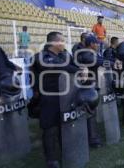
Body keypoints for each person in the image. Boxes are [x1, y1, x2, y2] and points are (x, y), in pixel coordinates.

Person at [31, 32, 81, 168]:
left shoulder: (65, 55)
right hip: (49, 97)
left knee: (65, 124)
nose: (64, 44)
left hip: (66, 95)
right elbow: (58, 66)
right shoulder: (41, 57)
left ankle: (65, 150)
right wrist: (78, 70)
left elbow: (73, 65)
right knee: (50, 128)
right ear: (54, 43)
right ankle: (51, 159)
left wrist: (80, 69)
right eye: (62, 41)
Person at [77, 35, 104, 148]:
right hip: (87, 87)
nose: (98, 45)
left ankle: (92, 136)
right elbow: (95, 62)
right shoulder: (86, 53)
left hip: (91, 85)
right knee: (90, 112)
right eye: (96, 43)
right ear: (91, 44)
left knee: (91, 112)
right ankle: (92, 139)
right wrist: (105, 61)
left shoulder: (91, 53)